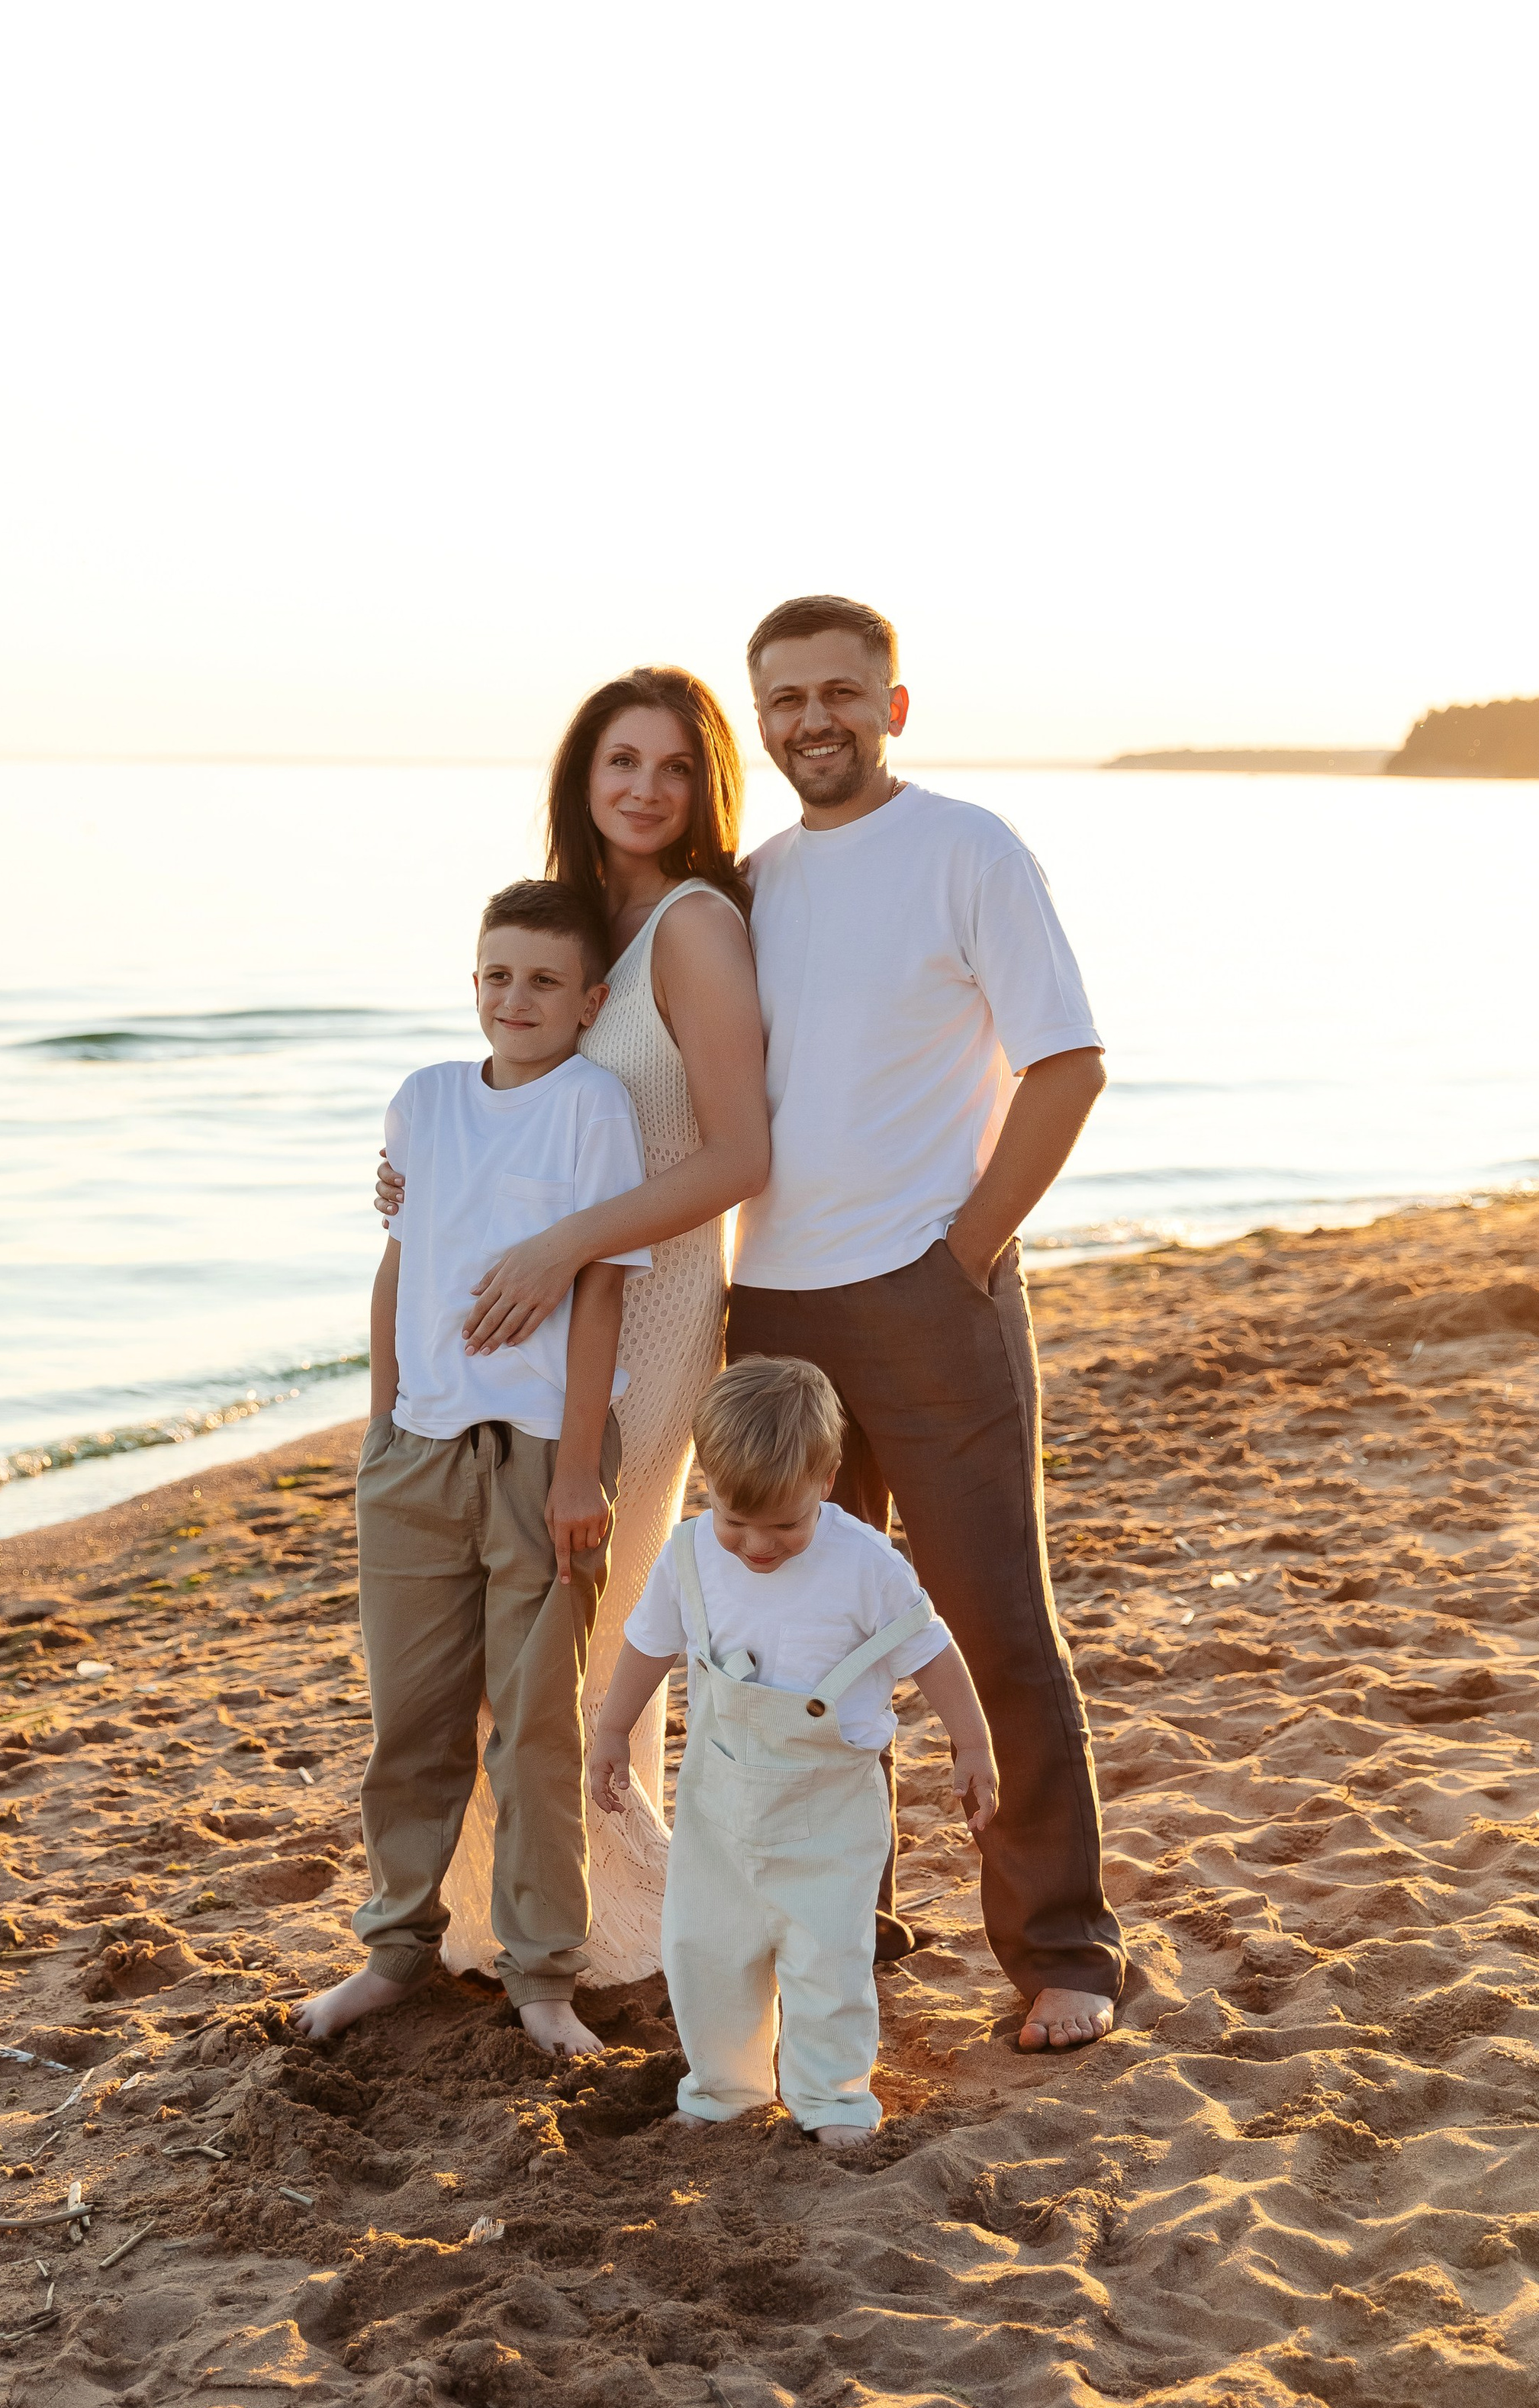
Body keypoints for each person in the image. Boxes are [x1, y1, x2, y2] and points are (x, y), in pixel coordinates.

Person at [727, 593, 1121, 2052]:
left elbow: (1067, 1066)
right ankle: (849, 1920)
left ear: (894, 708)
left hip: (928, 1297)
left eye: (841, 692)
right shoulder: (749, 887)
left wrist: (964, 1253)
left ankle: (1062, 1953)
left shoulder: (969, 850)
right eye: (785, 699)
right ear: (759, 719)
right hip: (767, 1309)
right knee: (801, 1640)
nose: (813, 719)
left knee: (994, 1629)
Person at [378, 668, 770, 1996]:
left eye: (673, 765)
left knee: (586, 1631)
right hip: (508, 1339)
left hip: (643, 1314)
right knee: (522, 1636)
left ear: (706, 783)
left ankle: (610, 1929)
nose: (645, 788)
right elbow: (511, 1111)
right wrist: (430, 1182)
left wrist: (562, 1244)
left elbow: (739, 1153)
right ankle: (525, 1918)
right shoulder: (570, 929)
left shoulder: (696, 928)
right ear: (582, 776)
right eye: (621, 762)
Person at [297, 880, 652, 2061]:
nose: (518, 998)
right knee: (413, 1724)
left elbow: (601, 1282)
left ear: (591, 1000)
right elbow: (400, 1264)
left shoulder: (595, 1107)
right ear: (474, 982)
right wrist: (379, 1430)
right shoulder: (426, 1101)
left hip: (543, 1459)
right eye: (498, 975)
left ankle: (543, 1975)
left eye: (546, 980)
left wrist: (574, 1470)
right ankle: (393, 1951)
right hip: (416, 1455)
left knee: (537, 1732)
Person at [589, 1357, 996, 2144]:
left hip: (830, 1811)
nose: (757, 1546)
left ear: (827, 1479)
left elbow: (930, 1654)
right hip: (717, 1803)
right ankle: (725, 2091)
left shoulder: (864, 1564)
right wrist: (611, 1731)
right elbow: (645, 1645)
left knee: (828, 1962)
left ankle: (831, 2101)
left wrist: (970, 1741)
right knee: (704, 1952)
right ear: (704, 1479)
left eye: (784, 1525)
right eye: (735, 1521)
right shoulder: (689, 1555)